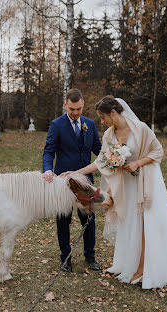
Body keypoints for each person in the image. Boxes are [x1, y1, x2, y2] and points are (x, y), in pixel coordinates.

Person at [62, 95, 167, 288]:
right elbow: (100, 162)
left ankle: (143, 268)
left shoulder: (141, 129)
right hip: (126, 186)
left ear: (113, 113)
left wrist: (137, 162)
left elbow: (158, 151)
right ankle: (129, 263)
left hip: (145, 182)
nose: (102, 122)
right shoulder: (108, 136)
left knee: (146, 222)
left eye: (103, 117)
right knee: (131, 222)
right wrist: (76, 172)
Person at [42, 88, 102, 272]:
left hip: (85, 182)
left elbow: (98, 150)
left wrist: (113, 160)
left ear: (83, 105)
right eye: (71, 109)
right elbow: (49, 150)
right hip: (63, 182)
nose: (75, 113)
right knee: (63, 220)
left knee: (88, 219)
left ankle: (90, 256)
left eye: (78, 109)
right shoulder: (56, 125)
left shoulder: (90, 125)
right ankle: (65, 259)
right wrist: (47, 170)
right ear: (65, 105)